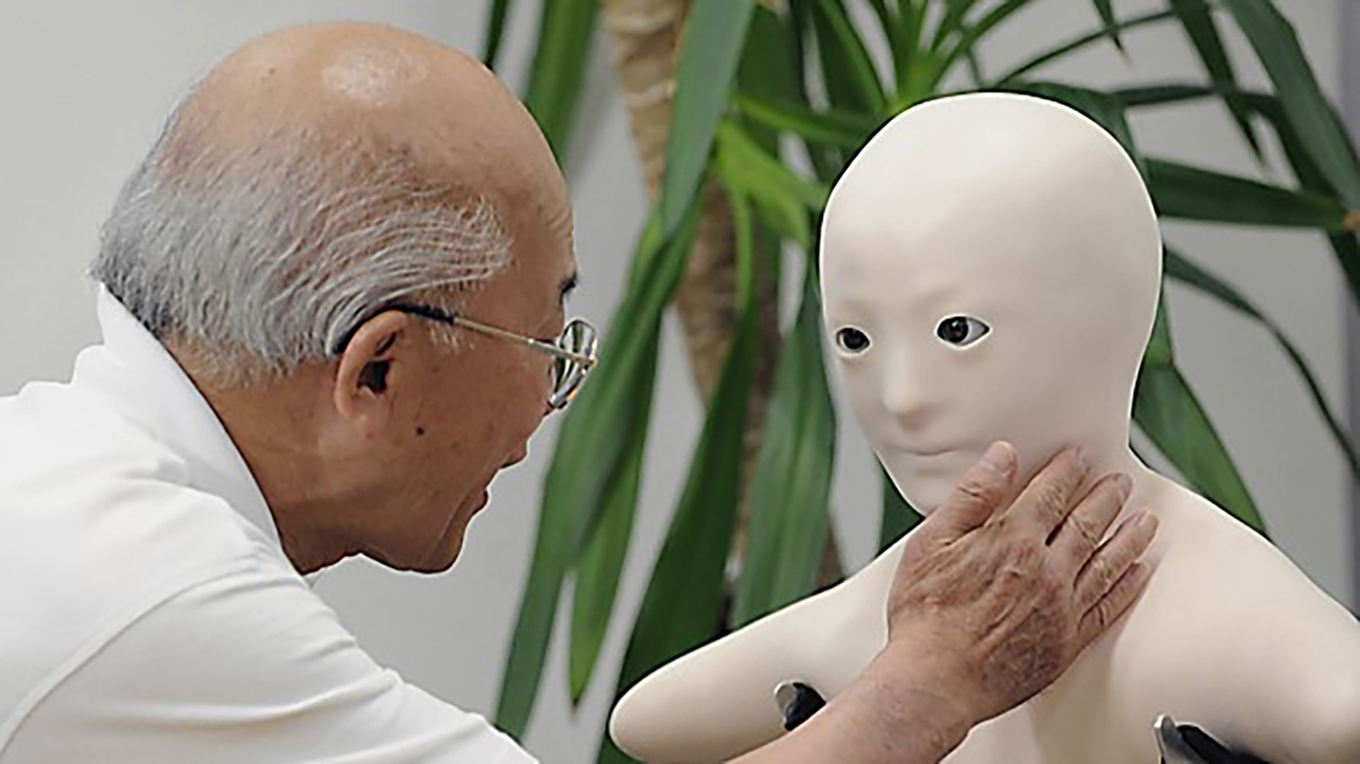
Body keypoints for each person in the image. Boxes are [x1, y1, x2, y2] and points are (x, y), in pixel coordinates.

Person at [0, 24, 1152, 764]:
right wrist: (937, 672)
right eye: (549, 343)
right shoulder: (147, 595)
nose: (903, 395)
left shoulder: (74, 501)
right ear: (379, 365)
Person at [608, 94, 1360, 764]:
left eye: (957, 331)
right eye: (854, 340)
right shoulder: (887, 615)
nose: (900, 399)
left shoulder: (1231, 615)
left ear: (1113, 318)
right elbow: (647, 721)